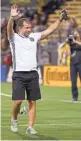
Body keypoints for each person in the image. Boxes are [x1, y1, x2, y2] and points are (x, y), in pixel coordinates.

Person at [7, 4, 67, 134]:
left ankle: (30, 127)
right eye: (27, 28)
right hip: (19, 74)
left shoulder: (34, 37)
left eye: (30, 27)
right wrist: (12, 18)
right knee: (17, 101)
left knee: (32, 101)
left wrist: (60, 19)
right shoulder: (14, 38)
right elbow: (9, 30)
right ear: (20, 28)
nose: (29, 29)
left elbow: (50, 30)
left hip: (33, 74)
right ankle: (14, 119)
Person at [66, 17, 81, 101]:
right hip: (73, 62)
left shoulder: (79, 31)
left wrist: (77, 41)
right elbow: (68, 51)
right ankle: (74, 97)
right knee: (73, 81)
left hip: (80, 61)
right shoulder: (69, 34)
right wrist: (68, 45)